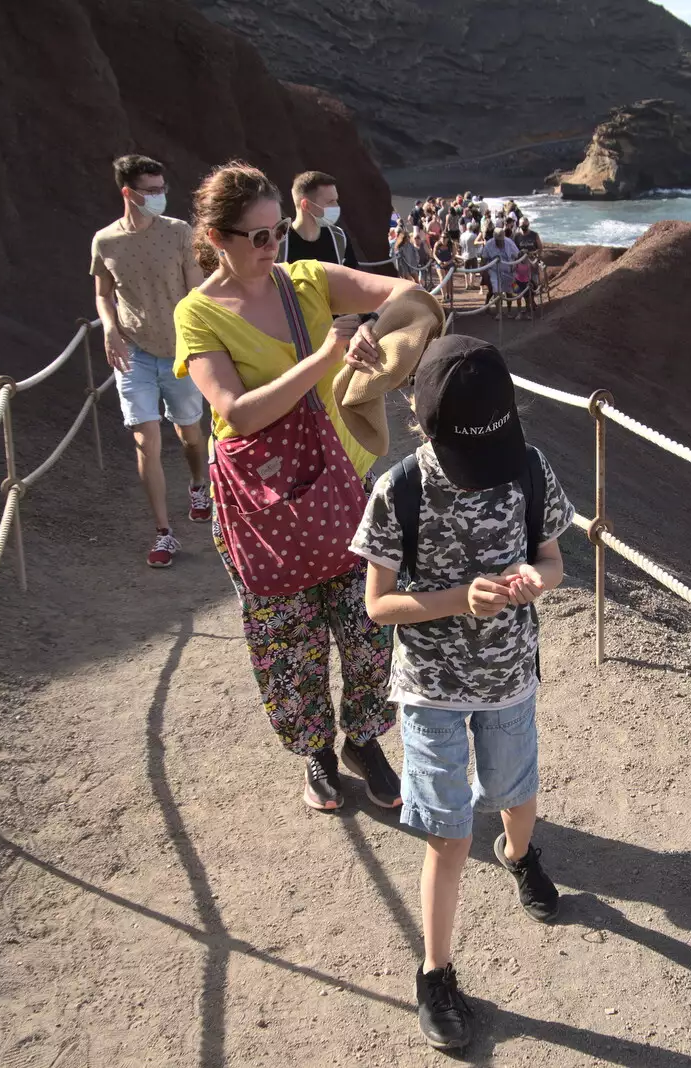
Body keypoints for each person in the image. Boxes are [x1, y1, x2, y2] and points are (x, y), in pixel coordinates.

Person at [175, 160, 420, 812]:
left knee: (370, 630)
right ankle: (315, 752)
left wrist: (371, 331)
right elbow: (237, 409)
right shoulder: (197, 316)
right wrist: (323, 360)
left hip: (344, 490)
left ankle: (362, 741)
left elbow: (406, 294)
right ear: (217, 238)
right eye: (255, 236)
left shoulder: (307, 282)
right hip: (263, 509)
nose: (271, 247)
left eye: (277, 231)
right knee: (289, 645)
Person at [352, 335, 575, 1051]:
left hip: (510, 676)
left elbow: (555, 562)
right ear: (422, 424)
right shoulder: (400, 488)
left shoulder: (529, 470)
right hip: (430, 691)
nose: (482, 476)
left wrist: (537, 580)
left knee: (517, 792)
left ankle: (519, 856)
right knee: (447, 833)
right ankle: (435, 971)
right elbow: (378, 606)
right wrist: (457, 599)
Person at [91, 154, 211, 569]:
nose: (161, 196)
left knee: (190, 433)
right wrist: (109, 327)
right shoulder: (105, 241)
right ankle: (164, 532)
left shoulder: (179, 233)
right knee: (146, 439)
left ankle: (199, 483)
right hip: (133, 353)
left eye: (163, 189)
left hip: (179, 351)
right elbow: (103, 293)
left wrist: (198, 343)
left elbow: (196, 292)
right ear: (129, 193)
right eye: (152, 191)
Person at [279, 170, 358, 269]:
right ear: (306, 205)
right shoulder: (279, 245)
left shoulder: (339, 239)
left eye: (336, 200)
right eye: (330, 202)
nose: (336, 206)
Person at [480, 227, 518, 302]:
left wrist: (515, 268)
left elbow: (517, 255)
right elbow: (483, 260)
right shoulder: (489, 245)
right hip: (494, 271)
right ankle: (499, 311)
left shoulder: (509, 243)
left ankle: (509, 311)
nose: (500, 242)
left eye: (501, 240)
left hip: (508, 270)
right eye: (498, 240)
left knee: (509, 291)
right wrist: (483, 273)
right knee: (496, 290)